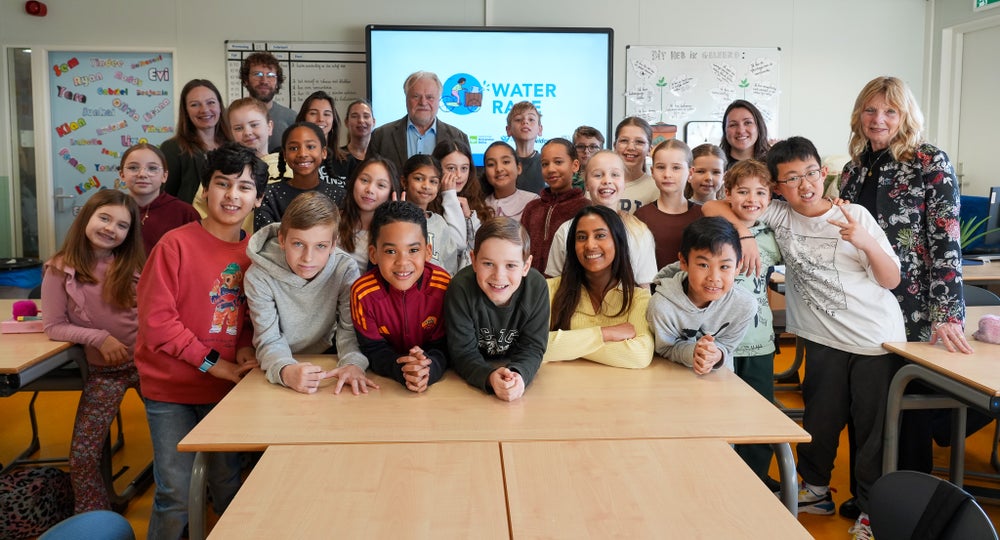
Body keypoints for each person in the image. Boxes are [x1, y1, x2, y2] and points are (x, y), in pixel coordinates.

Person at [703, 136, 905, 540]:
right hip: (822, 338)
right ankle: (815, 491)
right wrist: (743, 234)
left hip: (873, 341)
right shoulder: (779, 214)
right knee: (819, 420)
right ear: (778, 188)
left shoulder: (855, 216)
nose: (805, 184)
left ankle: (870, 511)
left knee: (870, 432)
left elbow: (891, 279)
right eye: (791, 179)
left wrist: (864, 241)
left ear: (823, 172)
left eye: (810, 173)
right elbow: (712, 205)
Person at [838, 75, 974, 521]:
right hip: (862, 307)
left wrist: (947, 313)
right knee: (869, 408)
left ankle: (910, 513)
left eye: (890, 111)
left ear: (905, 116)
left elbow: (946, 242)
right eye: (871, 110)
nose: (879, 119)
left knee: (908, 414)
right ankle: (870, 498)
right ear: (860, 113)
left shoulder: (928, 160)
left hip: (912, 309)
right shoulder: (855, 166)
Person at [134, 142, 267, 540]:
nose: (231, 195)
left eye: (244, 187)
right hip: (170, 390)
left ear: (258, 197)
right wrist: (216, 363)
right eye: (222, 184)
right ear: (204, 191)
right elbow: (158, 324)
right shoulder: (174, 245)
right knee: (174, 492)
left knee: (228, 484)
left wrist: (243, 350)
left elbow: (247, 318)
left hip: (224, 389)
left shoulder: (255, 254)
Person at [41, 190, 145, 514]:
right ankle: (92, 520)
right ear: (86, 216)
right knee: (83, 455)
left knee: (179, 440)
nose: (111, 228)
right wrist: (99, 338)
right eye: (105, 217)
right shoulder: (59, 269)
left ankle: (187, 504)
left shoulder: (134, 265)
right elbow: (53, 326)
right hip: (104, 373)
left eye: (122, 225)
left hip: (147, 367)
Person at [245, 192, 377, 395]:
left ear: (334, 245)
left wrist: (353, 363)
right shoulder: (258, 276)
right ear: (282, 239)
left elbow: (349, 328)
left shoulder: (344, 269)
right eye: (298, 244)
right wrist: (285, 370)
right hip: (279, 360)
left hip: (327, 357)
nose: (308, 258)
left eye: (321, 246)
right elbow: (268, 338)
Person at [350, 200, 450, 393]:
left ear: (427, 252)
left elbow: (445, 346)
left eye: (413, 250)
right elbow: (373, 350)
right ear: (373, 254)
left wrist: (430, 369)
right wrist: (403, 370)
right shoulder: (362, 293)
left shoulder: (443, 286)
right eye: (390, 251)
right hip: (386, 389)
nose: (403, 262)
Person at [444, 217, 549, 401]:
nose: (499, 276)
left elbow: (533, 347)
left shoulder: (537, 287)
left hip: (512, 368)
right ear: (473, 260)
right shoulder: (460, 288)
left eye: (511, 265)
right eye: (488, 264)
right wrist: (488, 377)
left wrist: (519, 375)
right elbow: (462, 352)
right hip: (468, 383)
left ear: (526, 266)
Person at [544, 205, 654, 368]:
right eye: (581, 237)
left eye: (600, 235)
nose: (590, 245)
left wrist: (564, 345)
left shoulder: (638, 297)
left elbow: (639, 355)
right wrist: (605, 333)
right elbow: (532, 345)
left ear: (618, 241)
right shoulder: (549, 289)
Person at [646, 216, 756, 373]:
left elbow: (727, 345)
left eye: (724, 266)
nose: (714, 277)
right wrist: (693, 352)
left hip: (721, 382)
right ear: (684, 262)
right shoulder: (661, 305)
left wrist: (716, 354)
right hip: (672, 380)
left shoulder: (744, 305)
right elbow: (666, 348)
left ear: (738, 266)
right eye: (703, 265)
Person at [545, 150, 658, 286]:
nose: (607, 181)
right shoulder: (566, 230)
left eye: (615, 175)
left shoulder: (639, 232)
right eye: (598, 175)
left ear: (624, 182)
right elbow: (554, 283)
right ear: (586, 184)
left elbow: (645, 288)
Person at [365, 71, 470, 172]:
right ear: (406, 99)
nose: (423, 102)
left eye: (430, 97)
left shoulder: (458, 137)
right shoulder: (381, 136)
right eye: (416, 96)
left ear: (439, 100)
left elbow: (468, 181)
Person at [254, 122, 347, 230]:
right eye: (293, 148)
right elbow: (263, 238)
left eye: (310, 147)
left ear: (323, 152)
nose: (302, 154)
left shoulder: (339, 196)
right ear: (284, 154)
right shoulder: (269, 195)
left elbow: (343, 238)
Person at [521, 138, 589, 274]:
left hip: (569, 285)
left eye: (558, 162)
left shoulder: (585, 208)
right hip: (533, 284)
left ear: (575, 165)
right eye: (545, 164)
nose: (551, 169)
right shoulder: (532, 208)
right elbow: (521, 248)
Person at [119, 142, 199, 255]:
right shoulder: (112, 208)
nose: (142, 174)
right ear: (122, 175)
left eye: (152, 168)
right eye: (133, 168)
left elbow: (195, 255)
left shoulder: (185, 213)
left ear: (164, 176)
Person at [635, 139, 703, 269]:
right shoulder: (641, 216)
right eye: (661, 167)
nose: (667, 174)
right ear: (652, 172)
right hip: (651, 288)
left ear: (690, 173)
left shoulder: (702, 215)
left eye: (676, 168)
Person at [162, 79, 229, 204]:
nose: (204, 110)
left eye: (211, 102)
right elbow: (166, 198)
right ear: (186, 111)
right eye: (195, 104)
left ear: (220, 106)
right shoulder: (173, 148)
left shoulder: (234, 146)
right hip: (190, 221)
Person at [224, 97, 281, 233]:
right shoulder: (221, 170)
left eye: (254, 125)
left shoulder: (289, 167)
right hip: (234, 244)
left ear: (269, 127)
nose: (247, 132)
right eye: (238, 128)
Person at [399, 154, 464, 275]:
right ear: (404, 181)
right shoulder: (393, 219)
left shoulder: (439, 223)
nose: (426, 186)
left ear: (439, 186)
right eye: (418, 179)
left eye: (433, 181)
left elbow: (449, 267)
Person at [433, 140, 493, 269]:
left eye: (464, 168)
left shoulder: (475, 201)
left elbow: (482, 246)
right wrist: (449, 196)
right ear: (437, 168)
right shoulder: (428, 201)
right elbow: (456, 245)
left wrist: (469, 217)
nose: (459, 175)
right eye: (451, 168)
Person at [338, 156, 399, 272]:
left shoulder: (392, 230)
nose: (370, 189)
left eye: (381, 185)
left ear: (391, 192)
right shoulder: (333, 219)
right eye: (364, 180)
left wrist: (397, 226)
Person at [239, 52, 296, 152]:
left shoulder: (291, 118)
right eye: (257, 74)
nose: (264, 81)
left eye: (270, 75)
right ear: (246, 80)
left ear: (277, 82)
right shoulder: (231, 117)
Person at [296, 90, 353, 190]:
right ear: (303, 118)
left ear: (333, 121)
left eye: (327, 114)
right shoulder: (294, 158)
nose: (321, 119)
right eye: (313, 113)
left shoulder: (347, 161)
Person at [482, 141, 539, 222]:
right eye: (491, 164)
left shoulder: (533, 202)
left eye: (506, 162)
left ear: (519, 168)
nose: (499, 169)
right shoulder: (480, 205)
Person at [613, 117, 658, 214]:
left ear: (650, 149)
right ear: (614, 146)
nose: (631, 147)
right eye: (624, 140)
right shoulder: (600, 184)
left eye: (639, 142)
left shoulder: (657, 188)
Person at [506, 101, 544, 194]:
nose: (525, 122)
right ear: (509, 130)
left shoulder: (546, 162)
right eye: (518, 119)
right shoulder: (504, 164)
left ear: (540, 129)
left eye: (531, 119)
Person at [720, 99, 771, 169]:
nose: (740, 131)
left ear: (759, 126)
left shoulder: (773, 165)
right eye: (733, 125)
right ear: (725, 130)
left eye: (747, 123)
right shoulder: (716, 165)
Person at [572, 125, 605, 190]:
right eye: (581, 146)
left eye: (592, 147)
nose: (586, 151)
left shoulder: (608, 178)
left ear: (601, 150)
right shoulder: (567, 180)